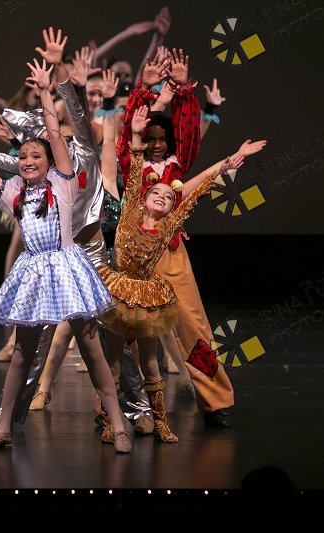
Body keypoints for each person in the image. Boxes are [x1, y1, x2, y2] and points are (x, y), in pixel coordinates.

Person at [0, 57, 132, 453]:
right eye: (24, 157)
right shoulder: (14, 192)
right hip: (33, 272)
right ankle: (5, 429)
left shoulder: (63, 183)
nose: (29, 161)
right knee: (20, 354)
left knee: (92, 349)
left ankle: (118, 426)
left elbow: (54, 132)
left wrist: (47, 91)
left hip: (68, 266)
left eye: (36, 156)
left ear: (50, 162)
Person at [98, 104, 261, 442]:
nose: (158, 145)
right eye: (152, 138)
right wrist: (137, 134)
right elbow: (132, 165)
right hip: (132, 266)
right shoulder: (134, 171)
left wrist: (228, 162)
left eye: (163, 139)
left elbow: (195, 189)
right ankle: (116, 411)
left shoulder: (173, 177)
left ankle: (213, 401)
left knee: (194, 328)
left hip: (170, 254)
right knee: (121, 343)